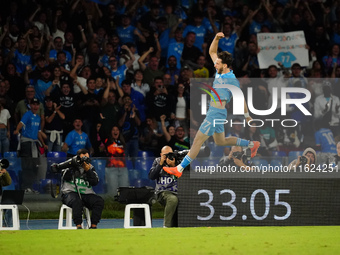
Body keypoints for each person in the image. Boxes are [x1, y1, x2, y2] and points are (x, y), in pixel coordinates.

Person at [163, 32, 260, 178]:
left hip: (216, 113)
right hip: (216, 113)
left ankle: (179, 169)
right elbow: (212, 51)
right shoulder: (219, 69)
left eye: (218, 62)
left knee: (197, 141)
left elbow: (241, 99)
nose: (215, 63)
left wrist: (248, 117)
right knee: (220, 141)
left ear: (225, 65)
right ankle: (252, 144)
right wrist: (216, 38)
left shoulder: (232, 80)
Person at [60, 148, 104, 229]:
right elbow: (65, 177)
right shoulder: (70, 165)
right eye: (83, 158)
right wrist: (73, 166)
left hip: (87, 194)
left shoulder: (91, 168)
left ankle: (93, 226)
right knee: (77, 201)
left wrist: (88, 171)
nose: (85, 160)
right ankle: (78, 226)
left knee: (99, 201)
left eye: (87, 158)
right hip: (70, 193)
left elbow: (95, 182)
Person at [14, 98, 47, 193]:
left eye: (37, 104)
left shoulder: (38, 117)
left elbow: (38, 132)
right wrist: (17, 130)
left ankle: (31, 187)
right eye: (33, 104)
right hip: (26, 143)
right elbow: (21, 123)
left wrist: (43, 144)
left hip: (34, 143)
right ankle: (25, 187)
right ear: (30, 105)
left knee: (34, 165)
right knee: (27, 165)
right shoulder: (27, 114)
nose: (35, 106)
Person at [149, 146, 179, 228]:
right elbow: (152, 176)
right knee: (172, 199)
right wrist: (160, 164)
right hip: (163, 192)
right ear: (161, 155)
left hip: (177, 191)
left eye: (170, 154)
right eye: (165, 155)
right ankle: (166, 226)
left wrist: (173, 166)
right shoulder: (157, 161)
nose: (168, 157)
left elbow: (180, 177)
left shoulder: (177, 161)